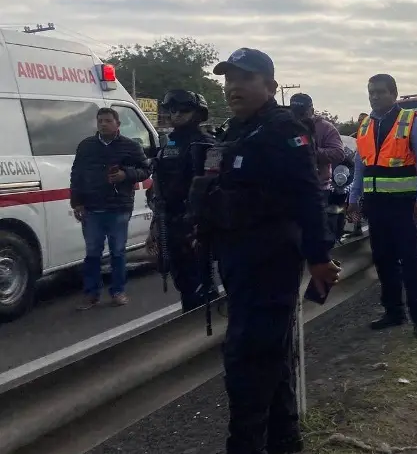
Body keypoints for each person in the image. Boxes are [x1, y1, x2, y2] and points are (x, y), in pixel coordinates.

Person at [194, 47, 339, 454]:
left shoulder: (282, 130)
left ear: (271, 86)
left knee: (247, 371)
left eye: (245, 79)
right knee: (269, 367)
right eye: (228, 80)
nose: (234, 87)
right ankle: (286, 443)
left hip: (269, 265)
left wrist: (319, 256)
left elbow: (307, 197)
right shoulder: (237, 131)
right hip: (240, 265)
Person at [347, 74, 417, 339]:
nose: (375, 96)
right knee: (383, 260)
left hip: (404, 203)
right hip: (375, 205)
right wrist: (353, 197)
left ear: (394, 94)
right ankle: (393, 312)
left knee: (409, 260)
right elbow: (361, 165)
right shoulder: (365, 124)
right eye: (371, 92)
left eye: (381, 92)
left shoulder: (410, 121)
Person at [70, 107, 151, 309]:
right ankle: (91, 294)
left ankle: (118, 292)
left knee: (117, 252)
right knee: (92, 254)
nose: (103, 124)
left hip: (118, 207)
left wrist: (126, 175)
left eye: (107, 120)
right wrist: (77, 202)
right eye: (100, 121)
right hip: (91, 208)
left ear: (117, 124)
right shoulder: (86, 146)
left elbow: (146, 170)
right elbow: (76, 175)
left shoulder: (130, 146)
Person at [149, 89, 216, 312]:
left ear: (198, 113)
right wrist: (156, 223)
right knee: (181, 278)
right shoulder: (168, 145)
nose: (177, 114)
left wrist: (200, 223)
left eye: (184, 110)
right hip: (169, 220)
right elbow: (160, 186)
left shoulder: (205, 144)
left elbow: (212, 187)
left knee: (200, 283)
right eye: (172, 110)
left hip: (195, 223)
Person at [290, 93, 353, 241]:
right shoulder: (286, 126)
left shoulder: (325, 128)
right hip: (290, 190)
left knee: (317, 236)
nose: (299, 114)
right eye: (295, 110)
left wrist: (311, 152)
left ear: (311, 109)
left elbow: (338, 153)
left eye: (303, 110)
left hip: (317, 189)